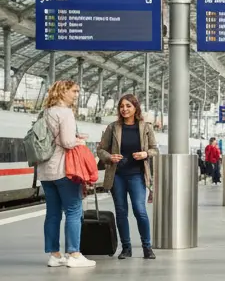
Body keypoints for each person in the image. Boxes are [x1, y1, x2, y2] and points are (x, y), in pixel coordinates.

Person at [37, 80, 95, 268]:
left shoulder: (46, 112)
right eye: (74, 91)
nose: (76, 95)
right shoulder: (65, 112)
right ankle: (74, 254)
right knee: (73, 210)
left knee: (53, 213)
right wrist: (81, 142)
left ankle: (54, 255)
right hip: (64, 170)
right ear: (63, 92)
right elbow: (68, 142)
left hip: (46, 171)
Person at [97, 93, 158, 260]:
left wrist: (145, 153)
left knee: (140, 210)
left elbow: (155, 149)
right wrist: (109, 157)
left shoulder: (146, 127)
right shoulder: (113, 127)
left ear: (135, 108)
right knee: (121, 211)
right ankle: (126, 248)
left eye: (128, 106)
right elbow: (100, 149)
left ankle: (147, 247)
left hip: (137, 175)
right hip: (117, 176)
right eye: (122, 106)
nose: (124, 109)